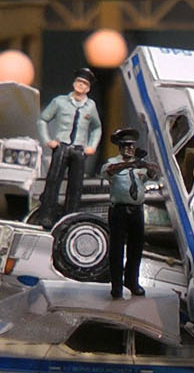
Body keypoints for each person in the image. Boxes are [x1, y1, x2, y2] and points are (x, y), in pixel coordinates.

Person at [34, 67, 103, 229]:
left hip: (79, 150)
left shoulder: (90, 106)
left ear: (89, 88)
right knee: (53, 182)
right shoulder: (60, 102)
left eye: (85, 84)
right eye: (79, 82)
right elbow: (43, 120)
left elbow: (97, 128)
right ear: (74, 83)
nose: (81, 86)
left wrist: (92, 146)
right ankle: (46, 216)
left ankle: (71, 218)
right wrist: (48, 140)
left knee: (76, 186)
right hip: (62, 147)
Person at [103, 128, 155, 299]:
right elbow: (109, 171)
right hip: (119, 210)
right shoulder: (112, 162)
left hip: (137, 211)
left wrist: (145, 164)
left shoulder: (139, 164)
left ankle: (132, 281)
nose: (129, 149)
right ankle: (116, 286)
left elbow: (153, 174)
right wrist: (129, 164)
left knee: (136, 248)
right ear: (119, 147)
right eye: (125, 146)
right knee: (117, 249)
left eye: (131, 146)